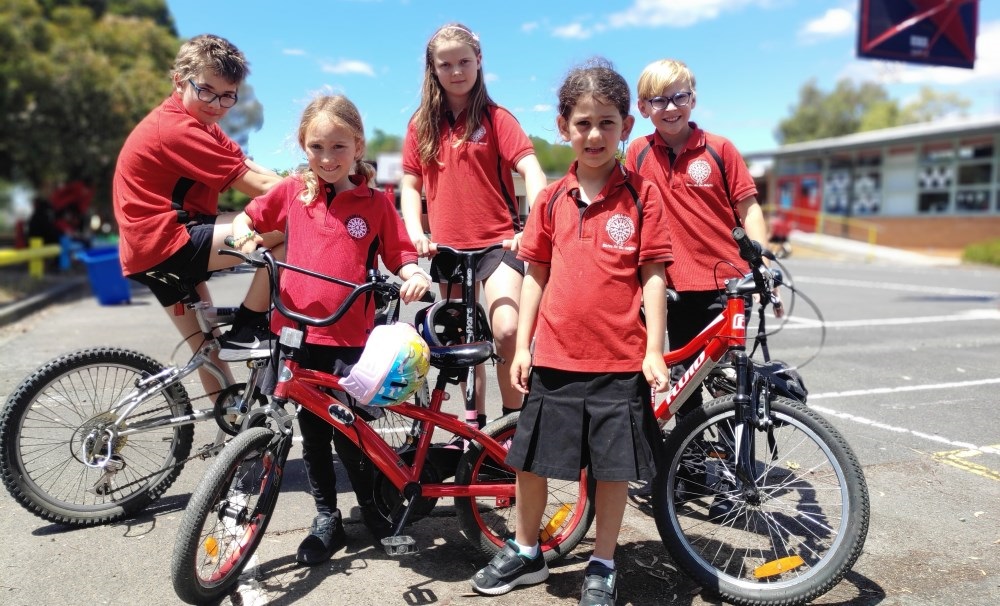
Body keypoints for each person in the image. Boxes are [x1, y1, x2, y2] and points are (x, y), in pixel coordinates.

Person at [470, 58, 672, 606]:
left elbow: (653, 275)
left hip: (618, 361)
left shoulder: (642, 196)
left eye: (607, 122)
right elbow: (535, 273)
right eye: (583, 122)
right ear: (564, 127)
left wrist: (654, 347)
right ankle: (526, 550)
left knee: (612, 471)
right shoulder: (551, 200)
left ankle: (603, 563)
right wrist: (525, 345)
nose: (594, 134)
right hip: (555, 358)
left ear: (626, 127)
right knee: (532, 462)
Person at [229, 95, 432, 565]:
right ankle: (327, 517)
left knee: (350, 430)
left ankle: (372, 508)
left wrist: (414, 275)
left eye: (338, 146)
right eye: (316, 146)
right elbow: (248, 217)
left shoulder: (376, 202)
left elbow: (400, 254)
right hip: (296, 334)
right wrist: (242, 233)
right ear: (303, 145)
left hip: (348, 338)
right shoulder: (291, 193)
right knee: (313, 434)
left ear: (357, 145)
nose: (326, 158)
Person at [112, 34, 283, 398]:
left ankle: (231, 437)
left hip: (151, 251)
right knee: (286, 229)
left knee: (207, 348)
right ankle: (251, 324)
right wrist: (330, 194)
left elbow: (258, 171)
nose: (216, 104)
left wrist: (305, 181)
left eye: (227, 96)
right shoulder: (177, 129)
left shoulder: (203, 125)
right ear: (178, 80)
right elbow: (261, 188)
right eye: (206, 90)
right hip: (170, 241)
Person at [400, 22, 548, 429]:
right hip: (447, 250)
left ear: (479, 62)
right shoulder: (421, 124)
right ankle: (473, 430)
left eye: (464, 61)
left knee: (506, 329)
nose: (457, 71)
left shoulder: (497, 118)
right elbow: (410, 184)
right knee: (461, 344)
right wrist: (417, 233)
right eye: (445, 64)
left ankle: (513, 428)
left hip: (498, 245)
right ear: (433, 69)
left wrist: (532, 223)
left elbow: (531, 169)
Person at [625, 58, 782, 420]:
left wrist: (765, 262)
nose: (670, 107)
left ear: (693, 100)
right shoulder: (638, 152)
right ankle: (689, 468)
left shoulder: (719, 148)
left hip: (726, 286)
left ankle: (731, 461)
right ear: (644, 107)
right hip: (672, 285)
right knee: (684, 381)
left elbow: (749, 209)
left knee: (727, 378)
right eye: (659, 100)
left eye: (679, 96)